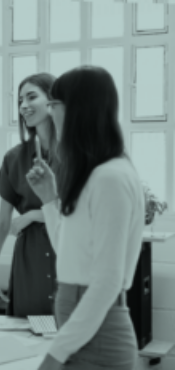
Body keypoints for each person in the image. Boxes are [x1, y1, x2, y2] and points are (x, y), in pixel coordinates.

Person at [26, 66, 144, 369]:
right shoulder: (97, 174)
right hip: (84, 332)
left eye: (54, 105)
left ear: (78, 110)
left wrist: (54, 355)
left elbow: (107, 282)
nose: (50, 114)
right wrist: (50, 200)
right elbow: (68, 254)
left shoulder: (110, 178)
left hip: (97, 340)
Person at [0, 73, 59, 318]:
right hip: (29, 260)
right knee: (26, 332)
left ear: (53, 101)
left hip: (66, 251)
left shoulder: (78, 152)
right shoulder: (14, 158)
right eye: (20, 100)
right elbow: (3, 221)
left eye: (31, 97)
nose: (23, 106)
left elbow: (82, 209)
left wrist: (35, 214)